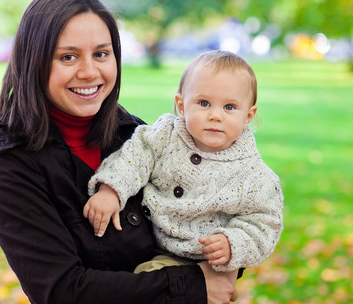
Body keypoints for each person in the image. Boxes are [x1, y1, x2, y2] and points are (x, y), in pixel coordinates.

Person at [0, 0, 239, 304]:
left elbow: (211, 224)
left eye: (101, 54)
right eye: (68, 57)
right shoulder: (7, 167)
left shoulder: (139, 137)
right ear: (34, 62)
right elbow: (62, 291)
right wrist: (194, 285)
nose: (89, 72)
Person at [85, 50, 284, 278]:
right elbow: (135, 157)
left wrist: (233, 243)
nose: (215, 116)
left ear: (249, 115)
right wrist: (111, 189)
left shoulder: (255, 177)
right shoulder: (165, 136)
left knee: (148, 278)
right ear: (181, 105)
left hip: (205, 260)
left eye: (229, 107)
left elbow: (264, 223)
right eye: (203, 103)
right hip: (150, 237)